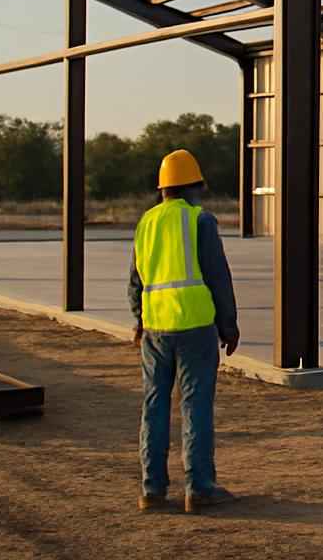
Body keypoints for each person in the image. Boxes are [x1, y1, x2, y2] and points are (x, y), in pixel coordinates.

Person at [128, 148, 240, 514]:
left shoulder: (145, 223)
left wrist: (139, 320)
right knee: (195, 406)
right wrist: (229, 324)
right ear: (193, 187)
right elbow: (217, 276)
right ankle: (200, 487)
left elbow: (135, 280)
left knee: (154, 406)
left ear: (163, 189)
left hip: (156, 329)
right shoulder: (199, 221)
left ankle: (153, 490)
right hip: (194, 327)